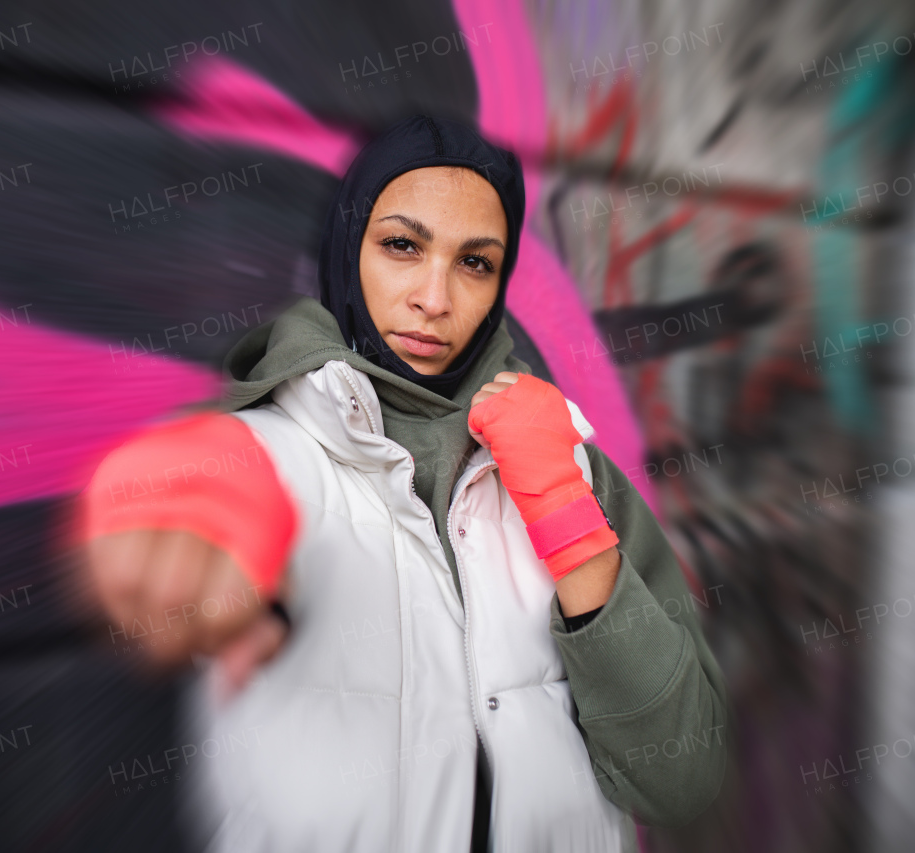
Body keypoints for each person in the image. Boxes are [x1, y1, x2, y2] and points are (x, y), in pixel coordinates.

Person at [82, 115, 727, 852]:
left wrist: (562, 508)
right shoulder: (258, 452)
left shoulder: (573, 468)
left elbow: (682, 779)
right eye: (401, 245)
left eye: (475, 262)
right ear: (346, 249)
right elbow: (194, 516)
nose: (434, 296)